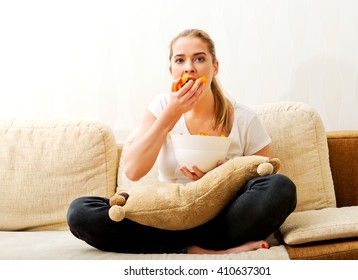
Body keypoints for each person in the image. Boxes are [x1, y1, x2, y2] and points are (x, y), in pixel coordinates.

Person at [67, 29, 297, 254]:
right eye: (180, 60)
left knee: (280, 187)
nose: (189, 67)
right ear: (171, 70)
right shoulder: (160, 108)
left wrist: (220, 179)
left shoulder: (244, 118)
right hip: (167, 216)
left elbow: (265, 176)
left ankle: (191, 244)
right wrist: (171, 114)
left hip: (223, 218)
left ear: (214, 67)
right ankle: (197, 247)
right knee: (81, 211)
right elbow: (134, 170)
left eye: (199, 58)